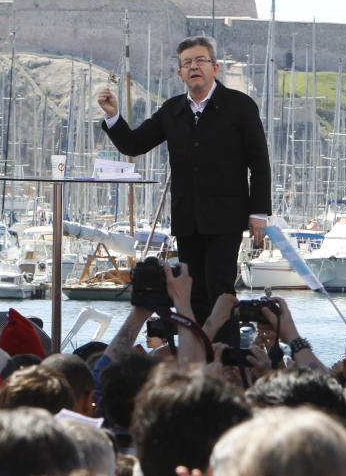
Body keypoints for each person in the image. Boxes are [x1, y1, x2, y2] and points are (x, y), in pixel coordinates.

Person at [97, 36, 271, 323]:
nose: (194, 67)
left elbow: (260, 163)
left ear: (215, 68)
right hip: (187, 218)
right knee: (191, 295)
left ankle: (221, 358)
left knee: (220, 291)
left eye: (201, 60)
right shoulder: (172, 110)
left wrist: (258, 213)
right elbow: (134, 145)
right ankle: (194, 357)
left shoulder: (240, 106)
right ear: (180, 74)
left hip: (226, 218)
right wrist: (114, 116)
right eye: (187, 63)